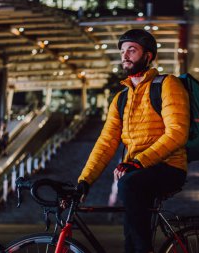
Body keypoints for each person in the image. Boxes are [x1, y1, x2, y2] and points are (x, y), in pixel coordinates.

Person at [77, 29, 190, 253]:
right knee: (129, 233)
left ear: (148, 56)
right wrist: (85, 181)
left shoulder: (168, 85)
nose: (125, 56)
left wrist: (138, 162)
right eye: (122, 51)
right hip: (136, 172)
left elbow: (177, 132)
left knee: (129, 184)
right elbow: (106, 142)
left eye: (132, 50)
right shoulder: (121, 99)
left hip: (169, 167)